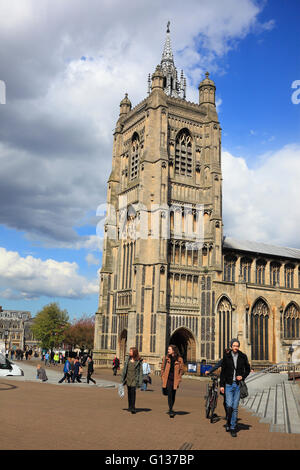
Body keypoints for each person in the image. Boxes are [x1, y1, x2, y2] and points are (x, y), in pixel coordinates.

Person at [220, 339, 250, 437]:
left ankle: (233, 427)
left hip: (237, 385)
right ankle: (228, 422)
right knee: (229, 405)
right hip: (228, 384)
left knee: (235, 407)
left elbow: (248, 369)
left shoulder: (243, 356)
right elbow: (223, 372)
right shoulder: (227, 356)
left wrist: (242, 376)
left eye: (237, 345)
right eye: (234, 345)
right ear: (231, 346)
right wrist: (221, 385)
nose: (235, 347)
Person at [205, 348, 231, 418]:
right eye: (226, 353)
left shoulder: (233, 361)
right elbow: (216, 366)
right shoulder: (223, 361)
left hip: (231, 382)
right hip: (224, 382)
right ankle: (227, 415)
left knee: (228, 400)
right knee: (225, 400)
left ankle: (229, 415)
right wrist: (209, 371)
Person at [161, 345, 184, 418]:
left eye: (169, 349)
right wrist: (162, 376)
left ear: (173, 350)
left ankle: (171, 407)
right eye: (168, 349)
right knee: (170, 393)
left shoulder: (180, 359)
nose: (168, 350)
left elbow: (181, 370)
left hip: (175, 379)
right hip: (167, 378)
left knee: (173, 394)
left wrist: (179, 378)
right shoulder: (166, 358)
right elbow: (162, 368)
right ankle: (170, 409)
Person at [121, 347, 143, 414]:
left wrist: (140, 381)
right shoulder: (127, 359)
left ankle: (133, 407)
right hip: (128, 378)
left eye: (130, 351)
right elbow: (124, 369)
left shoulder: (138, 361)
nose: (129, 352)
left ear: (134, 352)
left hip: (134, 379)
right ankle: (129, 406)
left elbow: (140, 371)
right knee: (129, 393)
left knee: (133, 393)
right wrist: (123, 378)